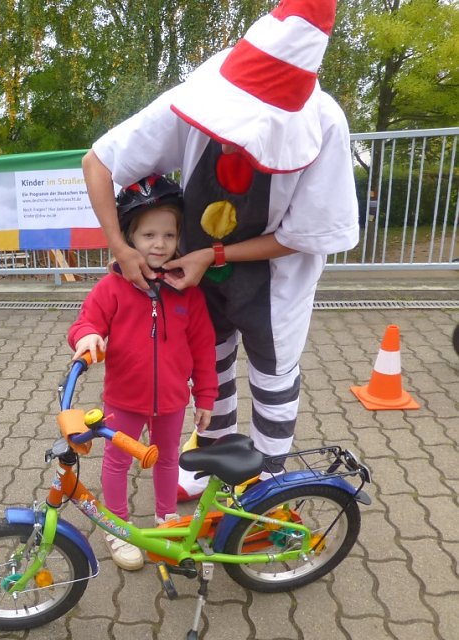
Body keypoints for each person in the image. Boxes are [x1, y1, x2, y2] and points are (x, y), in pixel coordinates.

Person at [81, 0, 359, 500]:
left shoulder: (326, 125)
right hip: (195, 272)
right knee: (211, 365)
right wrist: (123, 249)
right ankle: (216, 466)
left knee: (273, 374)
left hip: (275, 275)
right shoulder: (198, 93)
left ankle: (268, 483)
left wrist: (216, 255)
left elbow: (305, 234)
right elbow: (97, 163)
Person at [68, 175, 218, 571]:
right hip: (124, 399)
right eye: (148, 234)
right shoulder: (111, 288)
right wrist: (87, 339)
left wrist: (205, 397)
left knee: (169, 458)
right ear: (129, 238)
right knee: (117, 463)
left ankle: (166, 517)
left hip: (171, 399)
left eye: (169, 235)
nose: (159, 243)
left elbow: (204, 350)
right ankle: (115, 526)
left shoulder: (189, 291)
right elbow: (86, 323)